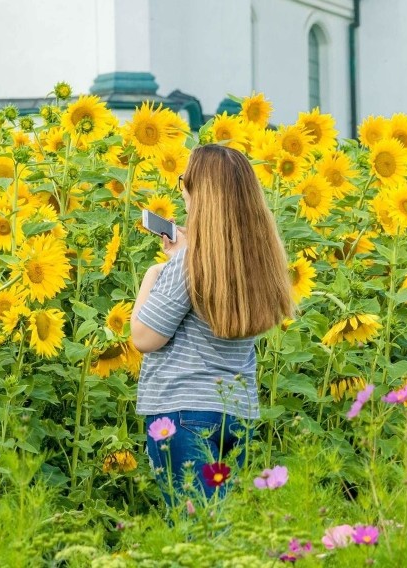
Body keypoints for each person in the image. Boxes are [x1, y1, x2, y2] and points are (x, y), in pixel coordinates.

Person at [131, 144, 293, 506]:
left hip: (183, 414)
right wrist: (183, 257)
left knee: (194, 538)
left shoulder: (187, 264)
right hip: (238, 415)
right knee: (221, 534)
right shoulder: (257, 260)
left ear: (198, 193)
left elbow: (143, 337)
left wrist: (155, 272)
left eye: (184, 181)